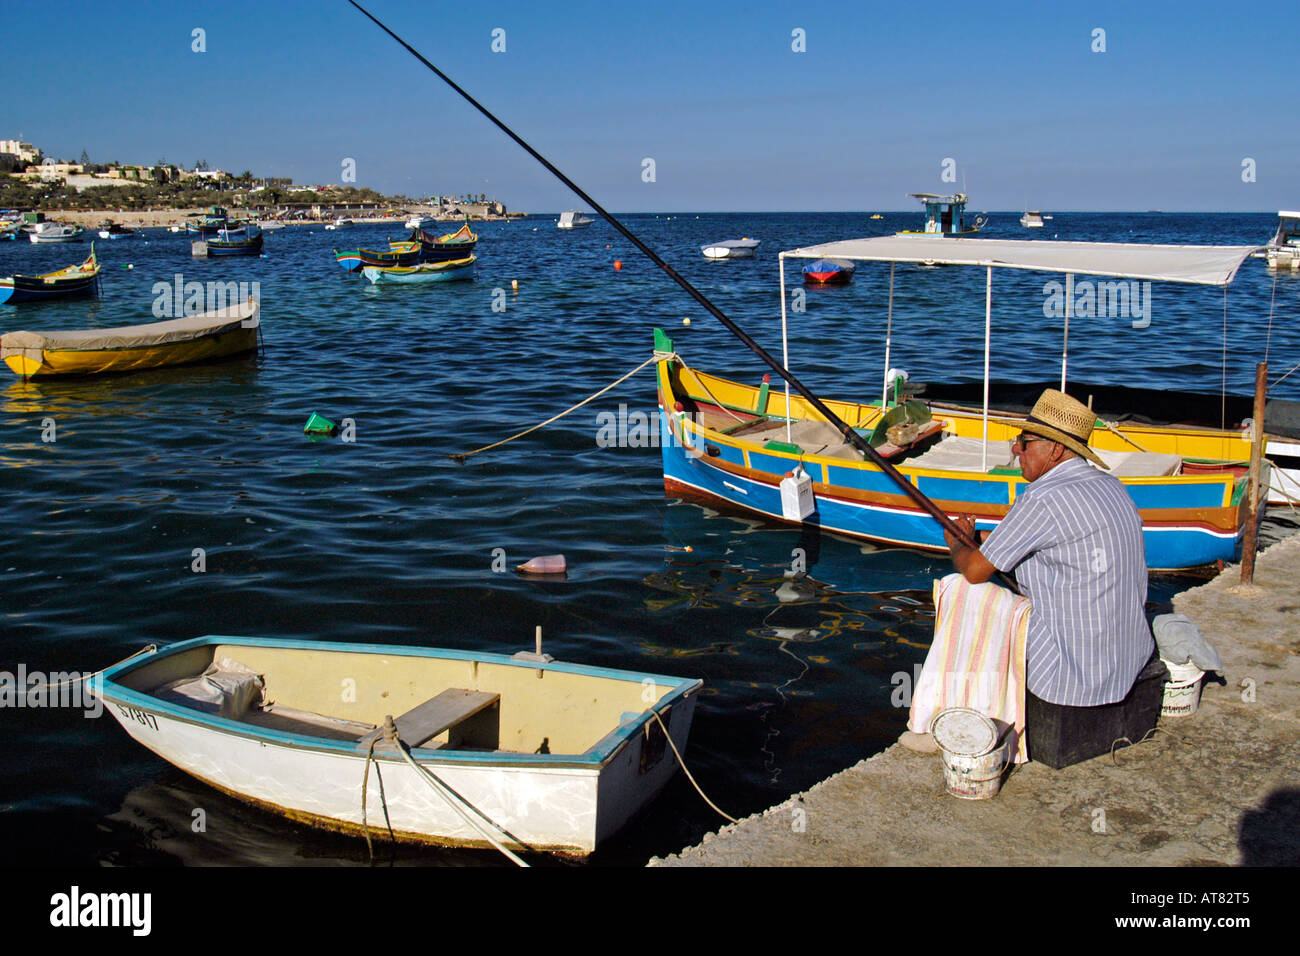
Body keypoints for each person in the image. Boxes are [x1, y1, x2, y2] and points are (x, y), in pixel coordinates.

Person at [901, 389, 1153, 752]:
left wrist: (957, 541)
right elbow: (1051, 540)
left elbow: (974, 570)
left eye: (1024, 441)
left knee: (964, 592)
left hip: (1075, 675)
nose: (1016, 450)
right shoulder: (1109, 485)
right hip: (1129, 660)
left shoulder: (1042, 498)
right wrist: (983, 537)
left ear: (1055, 449)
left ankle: (948, 716)